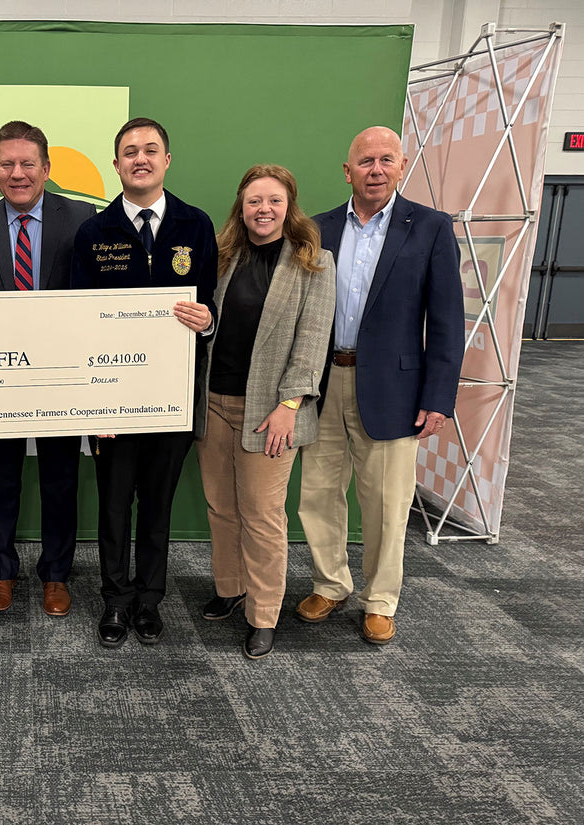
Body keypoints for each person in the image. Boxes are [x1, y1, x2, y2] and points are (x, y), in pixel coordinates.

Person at [296, 126, 464, 645]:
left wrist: (438, 397)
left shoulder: (431, 228)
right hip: (322, 382)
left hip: (395, 391)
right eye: (365, 161)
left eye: (385, 160)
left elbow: (446, 321)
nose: (375, 169)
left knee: (388, 503)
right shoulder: (316, 229)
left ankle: (380, 599)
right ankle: (331, 584)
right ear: (347, 171)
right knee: (318, 494)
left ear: (401, 166)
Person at [71, 117, 217, 648]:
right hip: (113, 405)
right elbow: (80, 324)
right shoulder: (93, 232)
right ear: (116, 165)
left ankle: (149, 601)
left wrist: (208, 320)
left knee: (157, 506)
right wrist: (93, 407)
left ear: (167, 161)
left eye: (151, 150)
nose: (141, 159)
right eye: (130, 151)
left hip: (171, 401)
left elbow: (212, 303)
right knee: (113, 506)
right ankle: (114, 601)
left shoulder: (195, 226)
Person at [0, 121, 96, 618]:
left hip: (61, 377)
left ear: (46, 169)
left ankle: (56, 574)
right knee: (2, 479)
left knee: (61, 478)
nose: (18, 173)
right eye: (7, 165)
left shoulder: (84, 221)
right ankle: (1, 573)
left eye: (27, 163)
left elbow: (97, 303)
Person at [196, 164, 336, 659]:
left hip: (272, 411)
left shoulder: (313, 263)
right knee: (221, 506)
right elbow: (207, 325)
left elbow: (312, 342)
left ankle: (263, 614)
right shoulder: (220, 256)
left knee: (262, 514)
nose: (263, 209)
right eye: (254, 200)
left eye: (274, 200)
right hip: (213, 403)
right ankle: (231, 588)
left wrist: (289, 406)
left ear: (288, 206)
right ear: (241, 205)